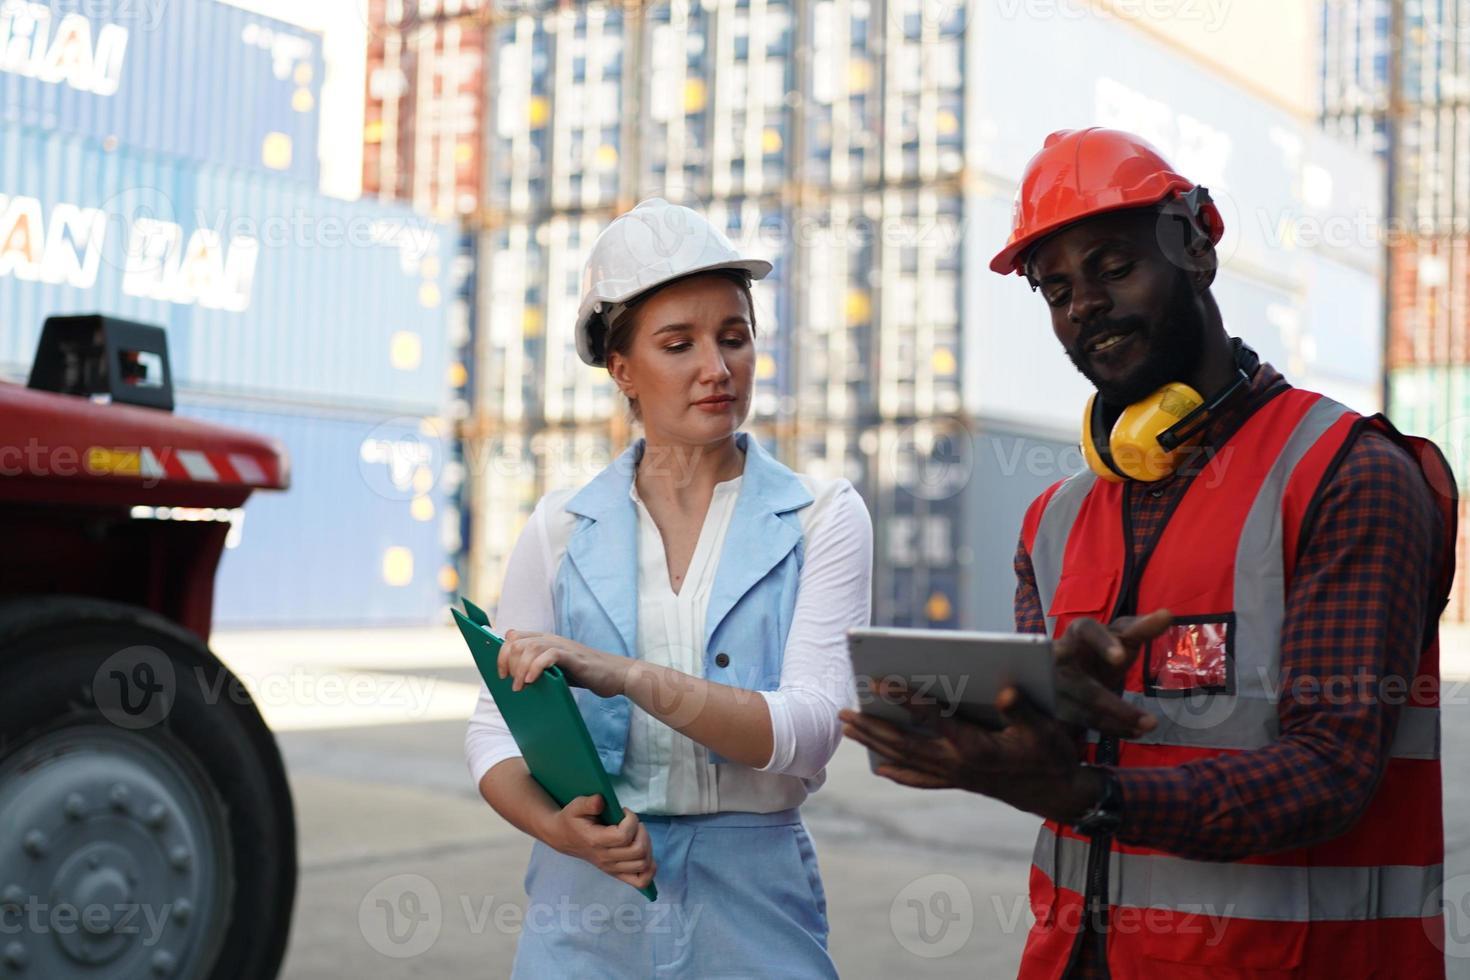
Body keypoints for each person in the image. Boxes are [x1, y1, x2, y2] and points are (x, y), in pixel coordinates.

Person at [841, 128, 1455, 979]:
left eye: (1113, 267)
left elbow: (1331, 771)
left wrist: (1091, 797)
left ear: (1197, 250)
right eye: (1056, 288)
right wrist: (986, 731)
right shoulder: (1051, 524)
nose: (1084, 304)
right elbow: (1055, 763)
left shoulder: (1346, 474)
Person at [465, 198, 873, 978]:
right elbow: (494, 729)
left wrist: (621, 674)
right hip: (586, 896)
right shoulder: (559, 530)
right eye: (678, 344)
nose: (716, 369)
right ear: (623, 370)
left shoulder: (822, 519)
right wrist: (558, 830)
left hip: (753, 897)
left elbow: (812, 727)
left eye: (735, 337)